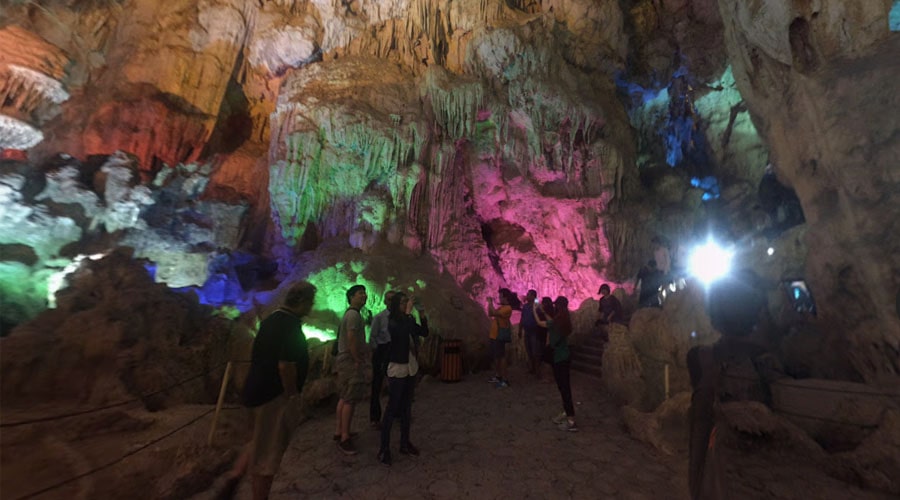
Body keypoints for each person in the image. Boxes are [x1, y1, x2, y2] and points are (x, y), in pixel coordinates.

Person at [220, 282, 316, 500]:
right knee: (267, 459)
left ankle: (235, 474)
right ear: (300, 302)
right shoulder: (290, 326)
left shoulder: (271, 319)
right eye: (310, 302)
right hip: (273, 398)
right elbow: (285, 366)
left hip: (255, 390)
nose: (311, 307)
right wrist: (292, 395)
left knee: (257, 439)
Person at [377, 292, 429, 466]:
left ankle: (405, 443)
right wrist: (408, 313)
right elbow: (399, 333)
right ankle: (383, 449)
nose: (406, 305)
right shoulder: (391, 321)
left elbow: (424, 332)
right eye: (403, 302)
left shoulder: (408, 320)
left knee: (407, 408)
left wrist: (421, 314)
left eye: (407, 302)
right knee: (392, 409)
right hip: (397, 368)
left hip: (409, 367)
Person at [334, 284, 368, 455]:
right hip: (349, 360)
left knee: (344, 396)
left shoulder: (350, 314)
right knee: (350, 399)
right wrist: (357, 359)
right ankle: (345, 438)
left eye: (364, 293)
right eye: (360, 293)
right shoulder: (354, 315)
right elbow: (351, 338)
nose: (364, 296)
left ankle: (339, 431)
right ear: (351, 297)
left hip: (343, 359)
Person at [534, 296, 577, 432]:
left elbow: (541, 323)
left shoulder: (558, 321)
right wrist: (545, 312)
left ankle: (571, 420)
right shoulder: (564, 319)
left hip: (560, 358)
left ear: (558, 306)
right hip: (564, 356)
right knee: (564, 387)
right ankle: (567, 412)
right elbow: (552, 321)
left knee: (564, 388)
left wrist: (535, 311)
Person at [369, 290, 395, 429]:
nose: (391, 302)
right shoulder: (379, 318)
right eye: (389, 299)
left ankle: (395, 413)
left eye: (393, 299)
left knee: (395, 383)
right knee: (377, 384)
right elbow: (372, 336)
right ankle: (375, 417)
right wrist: (377, 352)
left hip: (394, 351)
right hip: (382, 351)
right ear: (385, 301)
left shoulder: (400, 317)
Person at [487, 288, 514, 388]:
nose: (499, 298)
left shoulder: (508, 309)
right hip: (494, 335)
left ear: (505, 297)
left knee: (501, 357)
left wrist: (490, 302)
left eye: (500, 296)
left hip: (499, 336)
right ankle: (498, 376)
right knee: (496, 357)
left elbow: (493, 313)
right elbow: (490, 313)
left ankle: (505, 380)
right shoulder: (501, 308)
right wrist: (490, 304)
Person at [518, 289, 541, 377]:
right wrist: (520, 329)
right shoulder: (525, 306)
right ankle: (532, 368)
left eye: (528, 295)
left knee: (535, 351)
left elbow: (538, 303)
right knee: (529, 350)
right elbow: (522, 318)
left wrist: (535, 299)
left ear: (533, 296)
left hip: (534, 331)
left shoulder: (536, 306)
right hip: (527, 331)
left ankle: (537, 370)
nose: (526, 296)